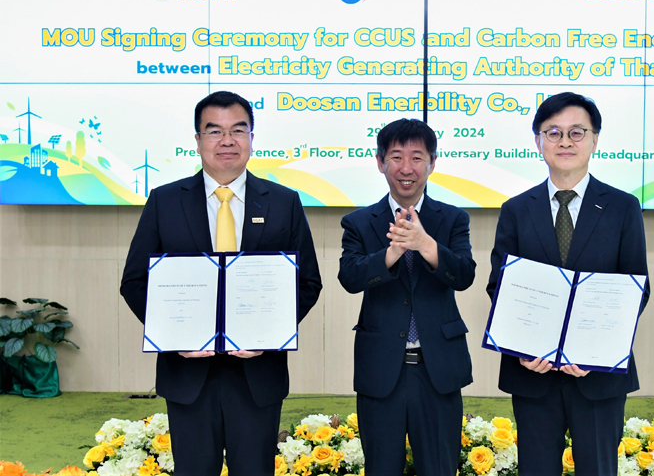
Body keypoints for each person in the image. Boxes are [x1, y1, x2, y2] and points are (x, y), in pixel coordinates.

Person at [120, 91, 322, 475]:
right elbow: (135, 282)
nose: (227, 141)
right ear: (197, 140)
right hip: (187, 373)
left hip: (257, 373)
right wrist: (174, 335)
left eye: (238, 130)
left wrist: (268, 333)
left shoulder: (283, 202)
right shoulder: (164, 201)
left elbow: (307, 283)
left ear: (251, 138)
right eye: (214, 131)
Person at [486, 92, 650, 476]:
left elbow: (635, 289)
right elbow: (500, 286)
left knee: (598, 469)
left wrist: (594, 349)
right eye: (553, 132)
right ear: (538, 141)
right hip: (533, 371)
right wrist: (524, 348)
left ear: (595, 140)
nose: (565, 142)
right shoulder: (516, 209)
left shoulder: (623, 207)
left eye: (577, 132)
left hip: (597, 373)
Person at [338, 118, 476, 476]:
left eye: (417, 157)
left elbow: (464, 275)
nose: (406, 168)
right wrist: (392, 253)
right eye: (396, 157)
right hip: (382, 369)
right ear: (380, 162)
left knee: (440, 468)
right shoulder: (359, 222)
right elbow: (350, 277)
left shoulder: (453, 218)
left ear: (432, 162)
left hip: (438, 369)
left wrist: (426, 245)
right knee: (381, 468)